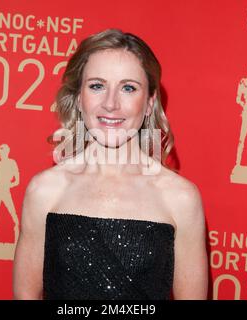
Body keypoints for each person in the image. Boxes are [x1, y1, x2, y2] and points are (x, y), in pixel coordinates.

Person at [12, 28, 208, 300]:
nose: (111, 104)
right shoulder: (45, 190)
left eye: (128, 88)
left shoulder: (180, 198)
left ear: (150, 102)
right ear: (79, 98)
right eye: (97, 86)